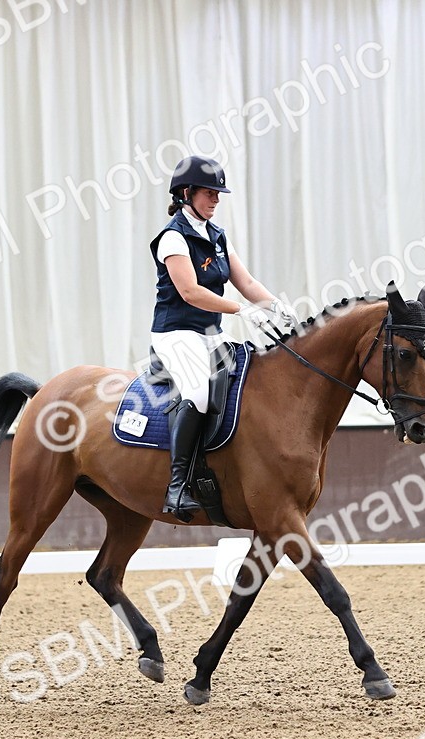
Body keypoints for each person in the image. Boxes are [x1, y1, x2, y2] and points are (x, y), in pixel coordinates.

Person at [150, 155, 298, 522]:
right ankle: (178, 484)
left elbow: (245, 282)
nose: (216, 199)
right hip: (176, 334)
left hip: (211, 335)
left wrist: (275, 305)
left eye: (218, 193)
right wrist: (240, 311)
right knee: (199, 393)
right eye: (209, 192)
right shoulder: (173, 237)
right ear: (186, 193)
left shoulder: (217, 236)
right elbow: (190, 292)